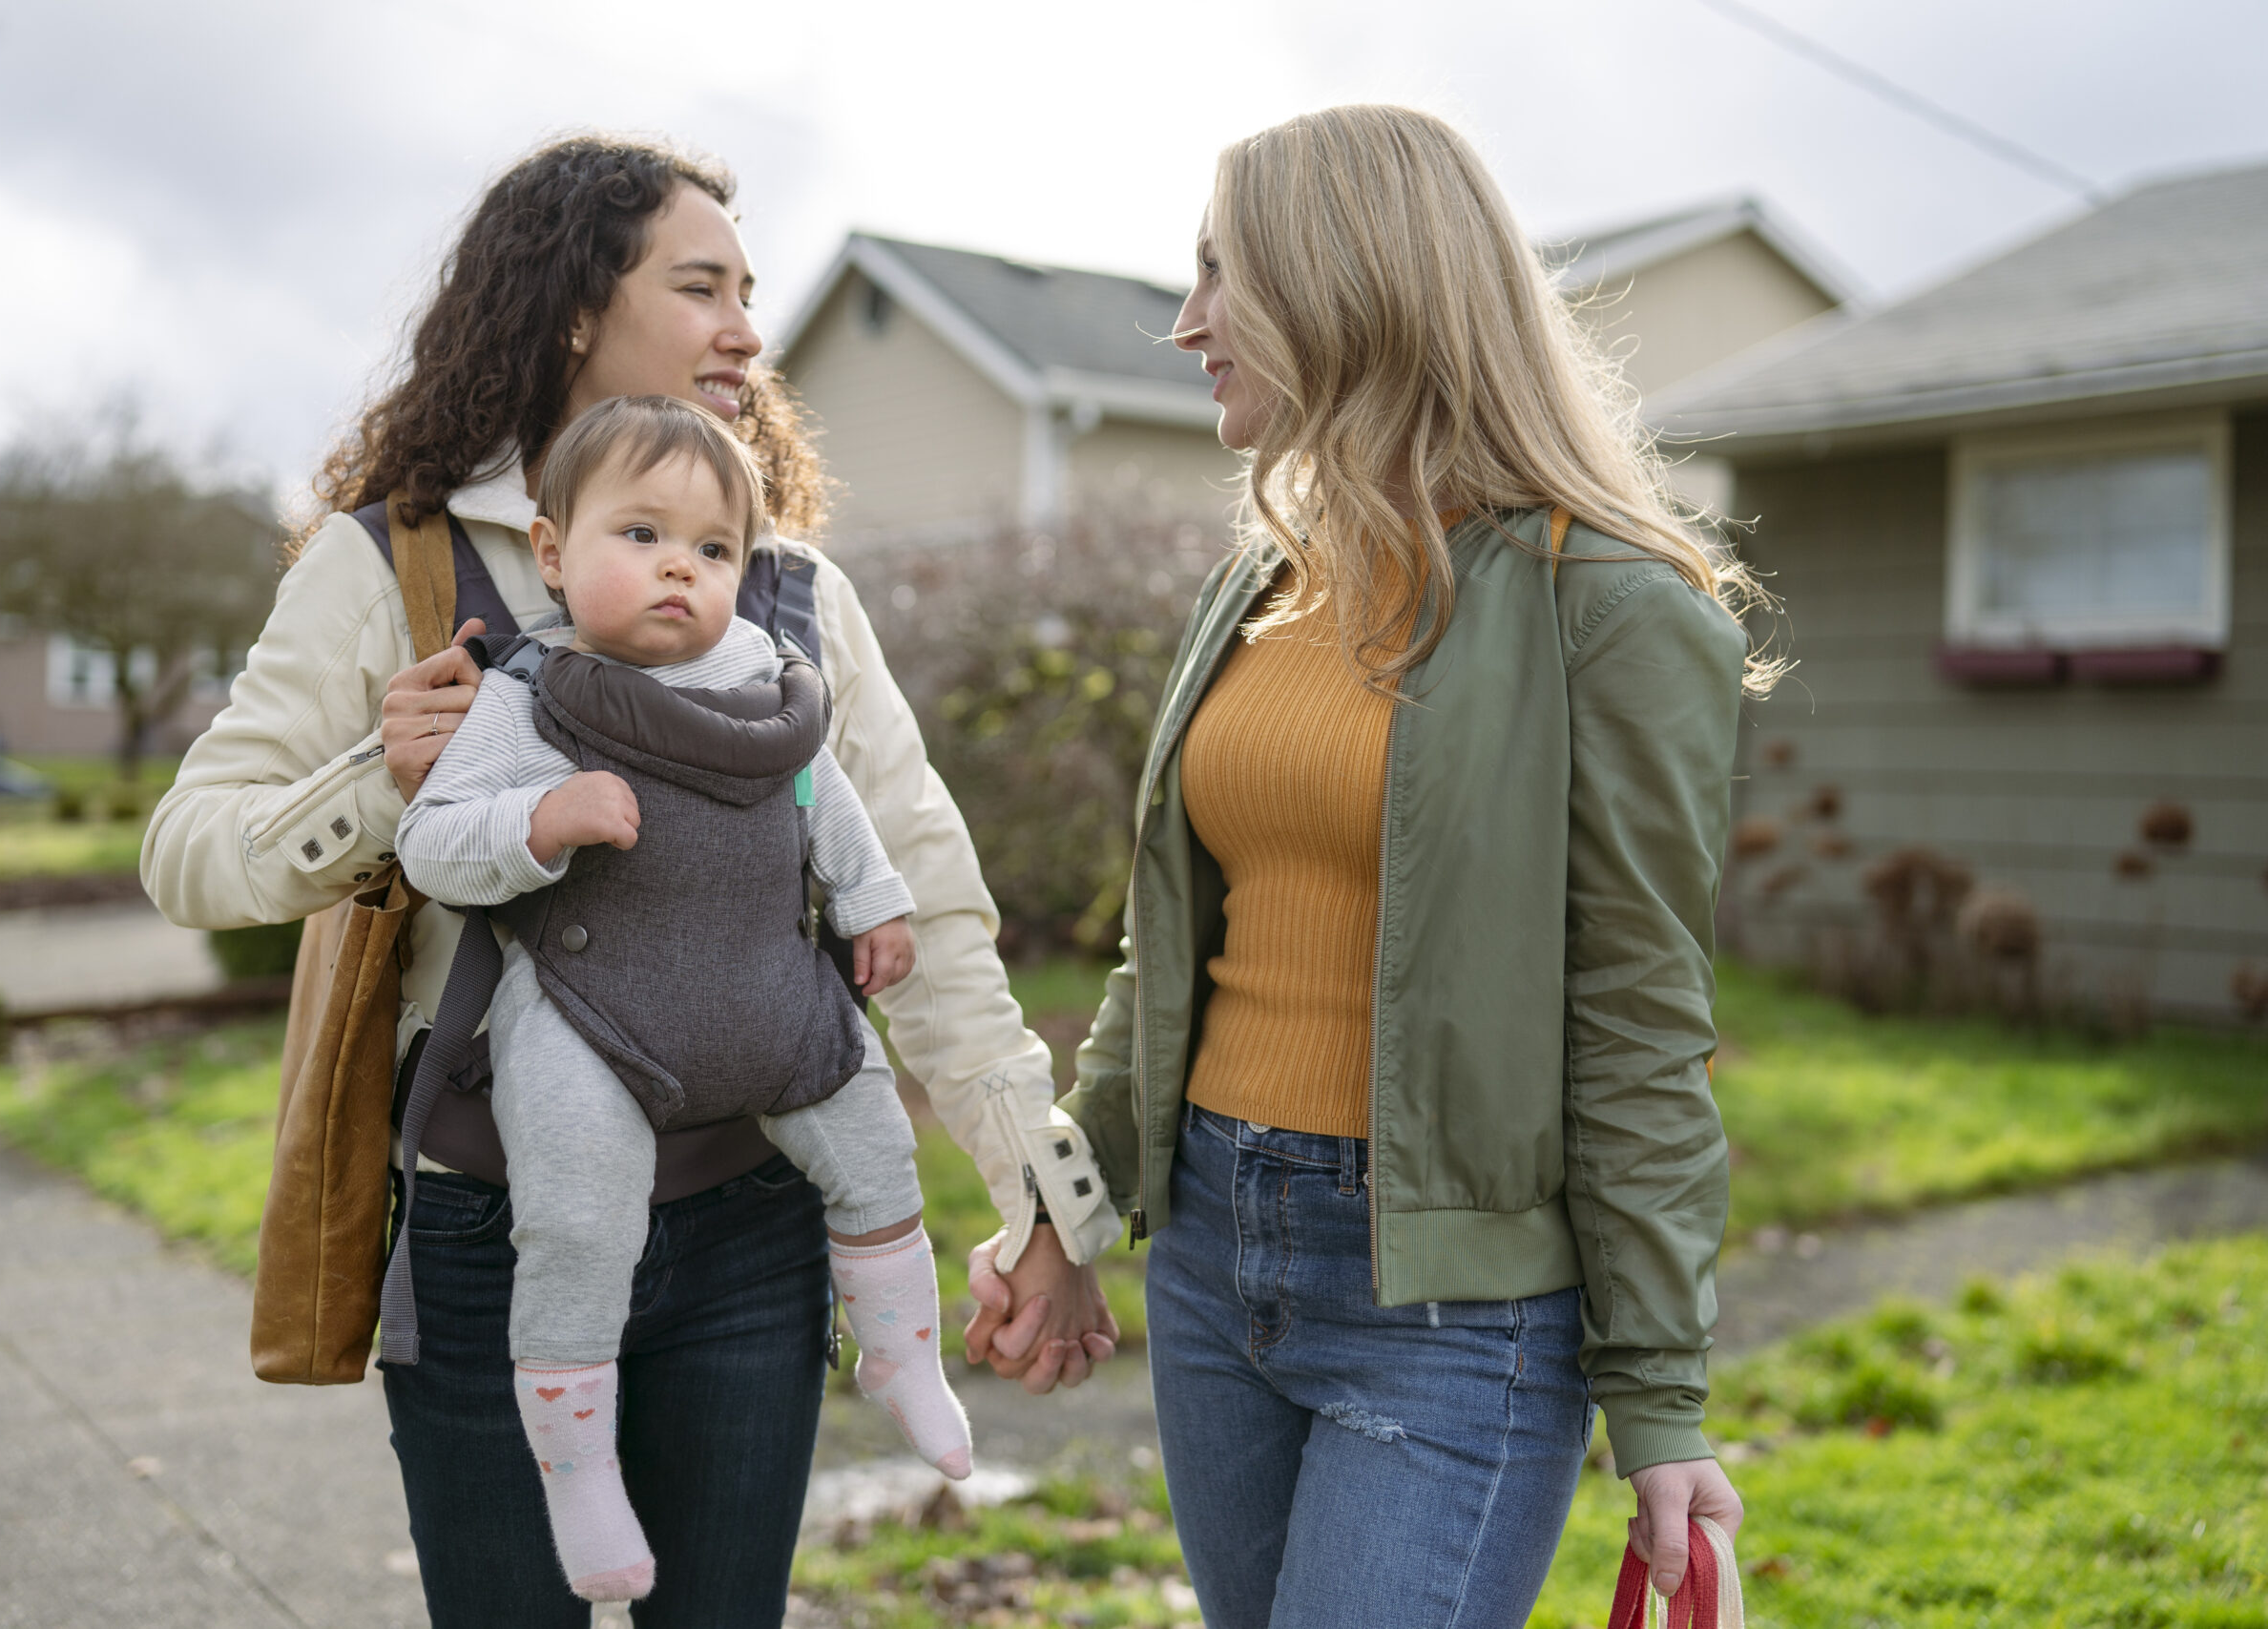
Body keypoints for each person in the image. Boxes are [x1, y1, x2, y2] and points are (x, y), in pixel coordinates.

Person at [141, 135, 1119, 1629]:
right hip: (489, 1232)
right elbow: (188, 852)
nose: (746, 330)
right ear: (576, 308)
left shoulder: (787, 588)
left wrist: (1044, 1202)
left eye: (750, 293)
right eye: (703, 287)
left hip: (754, 1224)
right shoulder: (390, 563)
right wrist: (378, 785)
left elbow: (927, 895)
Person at [1062, 105, 1760, 1629]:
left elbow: (1641, 1025)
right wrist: (1071, 1205)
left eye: (1216, 273)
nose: (1185, 325)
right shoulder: (1262, 580)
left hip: (1451, 1309)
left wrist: (1660, 1400)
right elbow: (1168, 949)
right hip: (1210, 1249)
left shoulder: (1614, 608)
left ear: (1344, 280)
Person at [393, 393, 972, 1602]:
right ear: (551, 552)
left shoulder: (763, 674)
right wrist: (542, 821)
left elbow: (826, 799)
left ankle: (905, 1354)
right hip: (591, 1020)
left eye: (712, 550)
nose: (680, 571)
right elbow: (433, 843)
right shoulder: (531, 691)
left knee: (872, 1142)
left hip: (769, 1001)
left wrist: (875, 905)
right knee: (578, 1217)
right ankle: (576, 1467)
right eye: (642, 536)